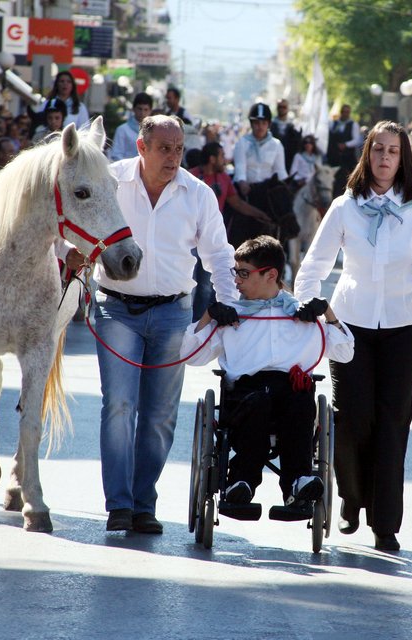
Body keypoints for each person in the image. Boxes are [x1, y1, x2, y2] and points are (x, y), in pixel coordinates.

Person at [294, 121, 412, 552]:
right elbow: (315, 262)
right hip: (350, 322)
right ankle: (351, 498)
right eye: (378, 149)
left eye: (393, 150)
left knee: (393, 421)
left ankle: (385, 520)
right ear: (367, 154)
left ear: (403, 158)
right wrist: (307, 304)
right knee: (353, 417)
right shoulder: (344, 207)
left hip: (404, 323)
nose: (385, 157)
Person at [98, 115, 239, 534]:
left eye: (179, 149)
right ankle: (119, 504)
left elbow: (218, 254)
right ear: (141, 148)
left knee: (159, 415)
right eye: (164, 148)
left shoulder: (197, 194)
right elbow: (78, 218)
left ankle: (144, 504)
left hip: (174, 312)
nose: (173, 157)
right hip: (116, 309)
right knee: (120, 406)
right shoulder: (111, 182)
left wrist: (229, 303)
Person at [181, 235, 354, 509]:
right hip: (245, 398)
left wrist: (328, 313)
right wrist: (209, 316)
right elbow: (190, 356)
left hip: (292, 397)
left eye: (244, 273)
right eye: (235, 272)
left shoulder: (300, 313)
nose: (236, 280)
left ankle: (298, 482)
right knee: (260, 400)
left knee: (299, 397)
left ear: (271, 274)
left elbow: (345, 353)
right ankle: (242, 481)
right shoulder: (231, 314)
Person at [188, 142, 272, 321]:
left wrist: (261, 214)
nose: (224, 159)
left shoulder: (224, 179)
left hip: (212, 238)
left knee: (205, 286)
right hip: (189, 239)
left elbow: (238, 204)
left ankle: (200, 324)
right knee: (188, 286)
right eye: (221, 155)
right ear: (212, 158)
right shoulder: (191, 176)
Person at [231, 102, 288, 247]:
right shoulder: (242, 143)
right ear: (251, 124)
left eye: (263, 122)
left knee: (285, 218)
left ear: (268, 124)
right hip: (247, 191)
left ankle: (283, 247)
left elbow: (280, 171)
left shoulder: (276, 145)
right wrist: (242, 182)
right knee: (233, 214)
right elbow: (240, 168)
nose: (260, 126)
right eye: (256, 122)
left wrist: (286, 187)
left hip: (269, 194)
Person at [326, 104, 363, 197]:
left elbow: (357, 140)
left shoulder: (353, 124)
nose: (345, 114)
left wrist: (346, 145)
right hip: (334, 158)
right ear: (340, 112)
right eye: (344, 112)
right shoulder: (333, 123)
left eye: (347, 112)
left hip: (348, 158)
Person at [109, 93, 153, 161]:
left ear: (150, 111)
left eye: (146, 109)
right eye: (140, 109)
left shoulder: (154, 131)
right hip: (127, 170)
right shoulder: (122, 130)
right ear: (134, 109)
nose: (142, 113)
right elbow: (116, 155)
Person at [270, 99, 302, 172]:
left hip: (289, 162)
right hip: (273, 161)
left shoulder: (294, 126)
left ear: (287, 108)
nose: (281, 109)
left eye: (284, 107)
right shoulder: (270, 125)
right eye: (279, 107)